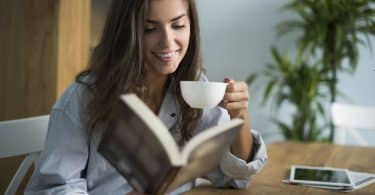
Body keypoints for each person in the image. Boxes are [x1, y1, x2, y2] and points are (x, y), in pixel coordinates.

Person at [25, 0, 267, 194]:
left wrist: (240, 116)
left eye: (178, 25)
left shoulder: (193, 89)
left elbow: (234, 177)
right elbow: (56, 188)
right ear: (126, 33)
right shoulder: (82, 98)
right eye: (149, 28)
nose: (167, 42)